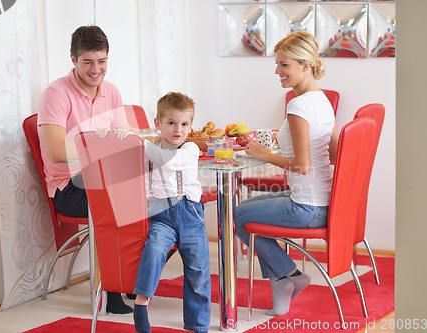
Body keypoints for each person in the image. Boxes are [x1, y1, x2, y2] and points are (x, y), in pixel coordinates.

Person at [235, 31, 339, 316]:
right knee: (244, 209)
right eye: (277, 64)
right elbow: (329, 153)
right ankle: (284, 280)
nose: (277, 71)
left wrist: (263, 155)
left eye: (284, 65)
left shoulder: (298, 105)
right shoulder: (321, 100)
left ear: (305, 65)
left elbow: (302, 165)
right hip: (322, 201)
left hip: (306, 207)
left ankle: (288, 275)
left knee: (238, 216)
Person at [38, 25, 134, 314]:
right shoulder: (56, 93)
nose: (96, 70)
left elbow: (125, 140)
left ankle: (130, 277)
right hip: (68, 187)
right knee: (120, 201)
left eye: (102, 61)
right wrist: (101, 154)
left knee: (158, 196)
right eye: (88, 62)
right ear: (73, 59)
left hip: (104, 179)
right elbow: (56, 151)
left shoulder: (112, 92)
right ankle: (113, 290)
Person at [132, 92, 211, 333]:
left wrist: (138, 141)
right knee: (154, 248)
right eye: (171, 123)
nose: (178, 129)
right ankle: (141, 301)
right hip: (160, 214)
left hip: (189, 214)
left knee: (198, 269)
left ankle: (197, 325)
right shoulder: (150, 149)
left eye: (185, 124)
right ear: (158, 124)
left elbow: (166, 160)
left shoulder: (189, 149)